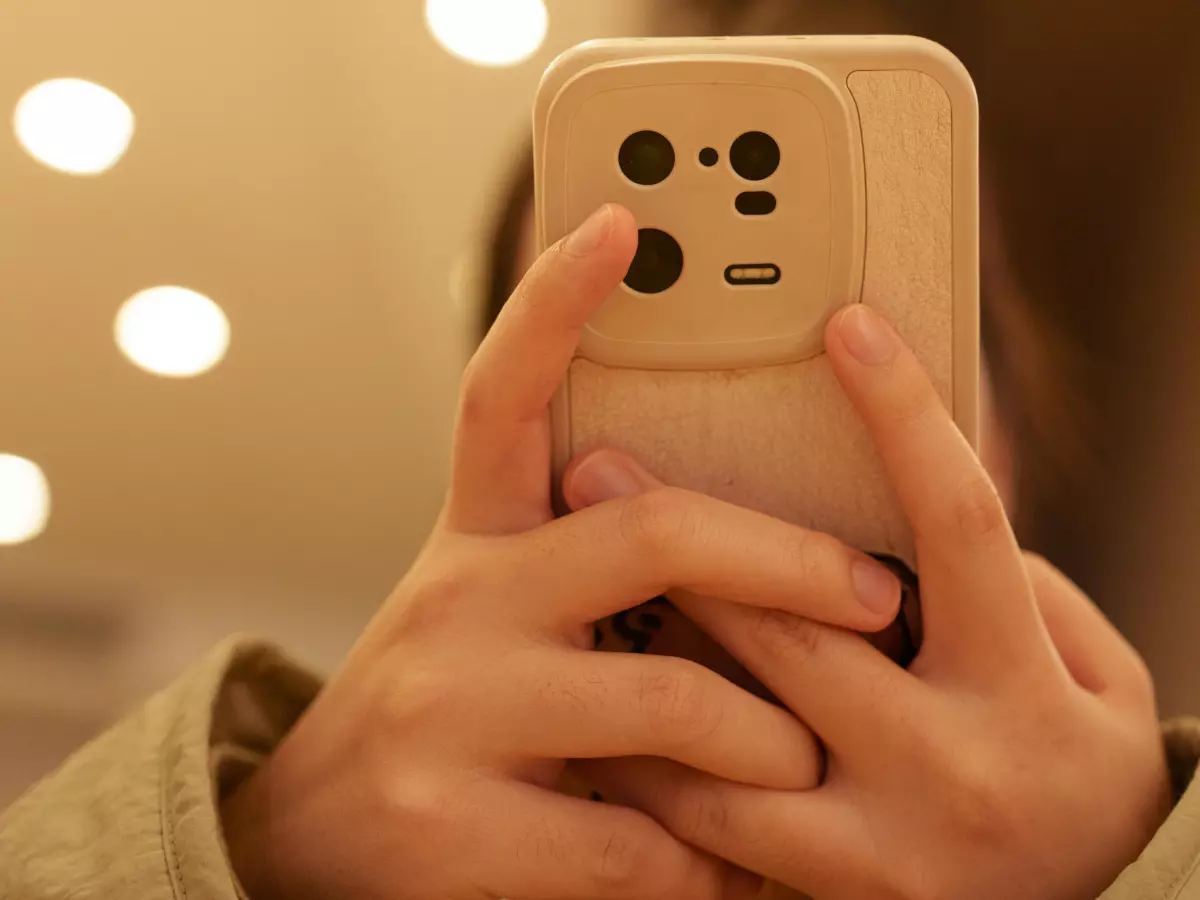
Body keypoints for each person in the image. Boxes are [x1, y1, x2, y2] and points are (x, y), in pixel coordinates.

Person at [2, 198, 1198, 900]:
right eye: (641, 346)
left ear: (1008, 452)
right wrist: (255, 856)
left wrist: (1135, 869)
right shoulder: (343, 854)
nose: (745, 433)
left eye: (880, 329)